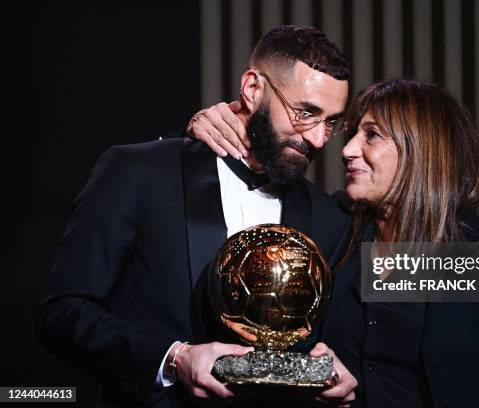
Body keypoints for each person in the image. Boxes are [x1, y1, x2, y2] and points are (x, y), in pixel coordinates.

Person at [36, 25, 357, 407]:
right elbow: (61, 314)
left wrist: (336, 367)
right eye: (305, 114)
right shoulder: (139, 173)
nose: (319, 139)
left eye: (331, 123)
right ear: (253, 89)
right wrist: (172, 359)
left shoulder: (330, 218)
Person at [189, 79, 479, 407]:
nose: (347, 150)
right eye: (351, 134)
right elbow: (260, 173)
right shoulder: (336, 230)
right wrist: (201, 128)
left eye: (372, 135)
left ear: (421, 149)